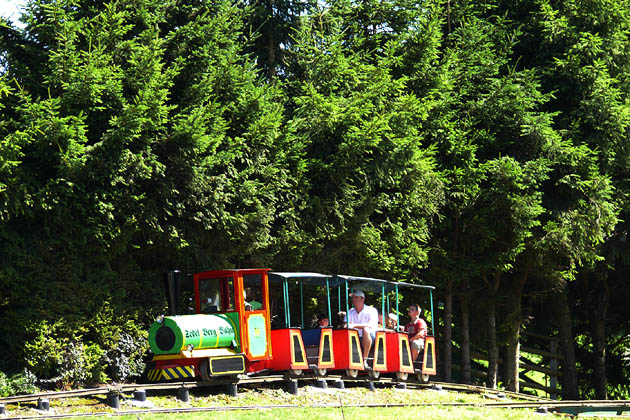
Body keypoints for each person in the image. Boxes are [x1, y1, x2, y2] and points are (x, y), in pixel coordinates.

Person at [345, 289, 379, 367]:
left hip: (371, 337)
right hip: (355, 336)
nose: (354, 299)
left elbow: (371, 324)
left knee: (366, 330)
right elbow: (347, 325)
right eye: (353, 297)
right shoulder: (350, 311)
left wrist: (354, 325)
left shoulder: (371, 310)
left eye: (356, 297)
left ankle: (365, 360)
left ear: (362, 299)